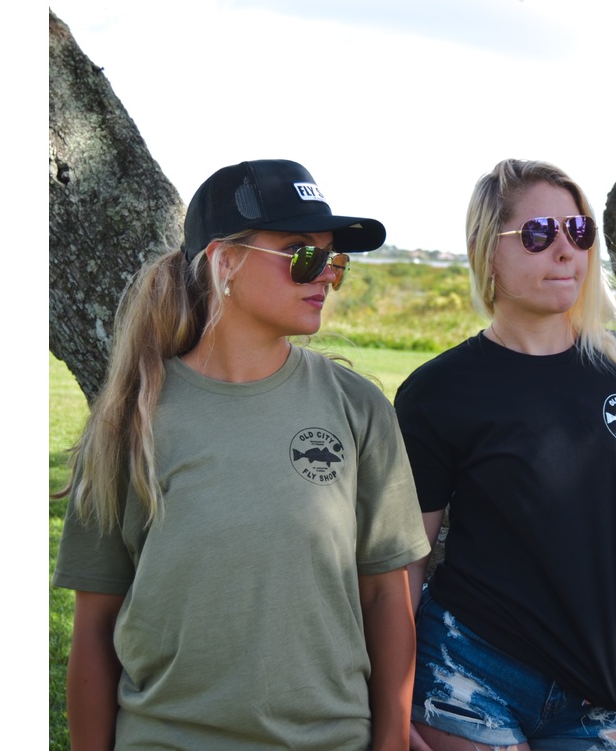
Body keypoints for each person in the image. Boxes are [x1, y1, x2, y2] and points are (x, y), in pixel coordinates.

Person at [52, 159, 432, 751]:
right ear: (224, 261)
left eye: (333, 261)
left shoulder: (357, 407)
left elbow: (387, 597)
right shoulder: (131, 420)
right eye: (301, 256)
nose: (325, 277)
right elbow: (96, 625)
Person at [394, 158, 616, 751]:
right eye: (537, 234)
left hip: (605, 690)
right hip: (468, 671)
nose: (565, 251)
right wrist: (392, 696)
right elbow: (407, 561)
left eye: (579, 232)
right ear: (488, 252)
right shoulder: (437, 391)